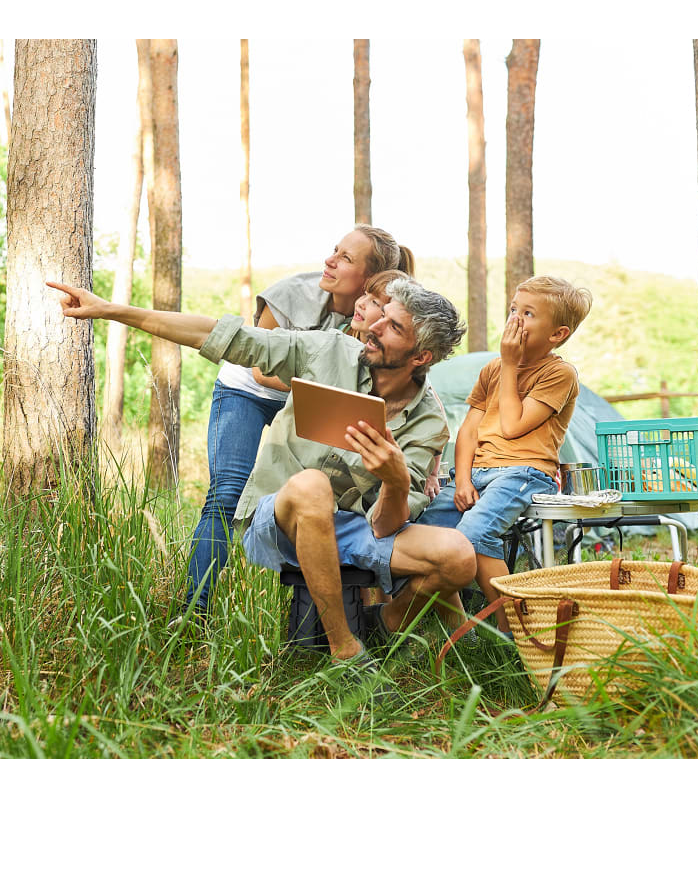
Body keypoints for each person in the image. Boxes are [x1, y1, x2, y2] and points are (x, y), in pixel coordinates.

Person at [47, 276, 476, 677]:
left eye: (393, 327)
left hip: (358, 527)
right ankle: (345, 649)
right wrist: (112, 310)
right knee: (312, 485)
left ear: (421, 357)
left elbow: (385, 526)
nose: (374, 327)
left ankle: (384, 621)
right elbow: (224, 336)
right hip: (281, 516)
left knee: (458, 556)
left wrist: (395, 481)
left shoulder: (428, 422)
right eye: (382, 316)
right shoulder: (329, 351)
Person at [184, 225, 414, 618]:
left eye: (345, 258)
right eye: (334, 250)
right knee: (226, 494)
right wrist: (326, 375)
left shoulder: (380, 311)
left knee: (343, 494)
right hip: (251, 392)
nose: (330, 261)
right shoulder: (292, 293)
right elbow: (259, 370)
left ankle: (355, 613)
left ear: (370, 279)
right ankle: (194, 610)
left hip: (314, 401)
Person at [417, 276, 593, 638]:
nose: (515, 319)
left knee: (476, 533)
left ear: (557, 334)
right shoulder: (492, 370)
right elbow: (468, 432)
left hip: (525, 472)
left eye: (528, 314)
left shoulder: (559, 374)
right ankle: (461, 629)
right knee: (426, 535)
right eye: (514, 309)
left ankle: (515, 634)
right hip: (478, 472)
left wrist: (511, 365)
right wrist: (462, 480)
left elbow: (512, 426)